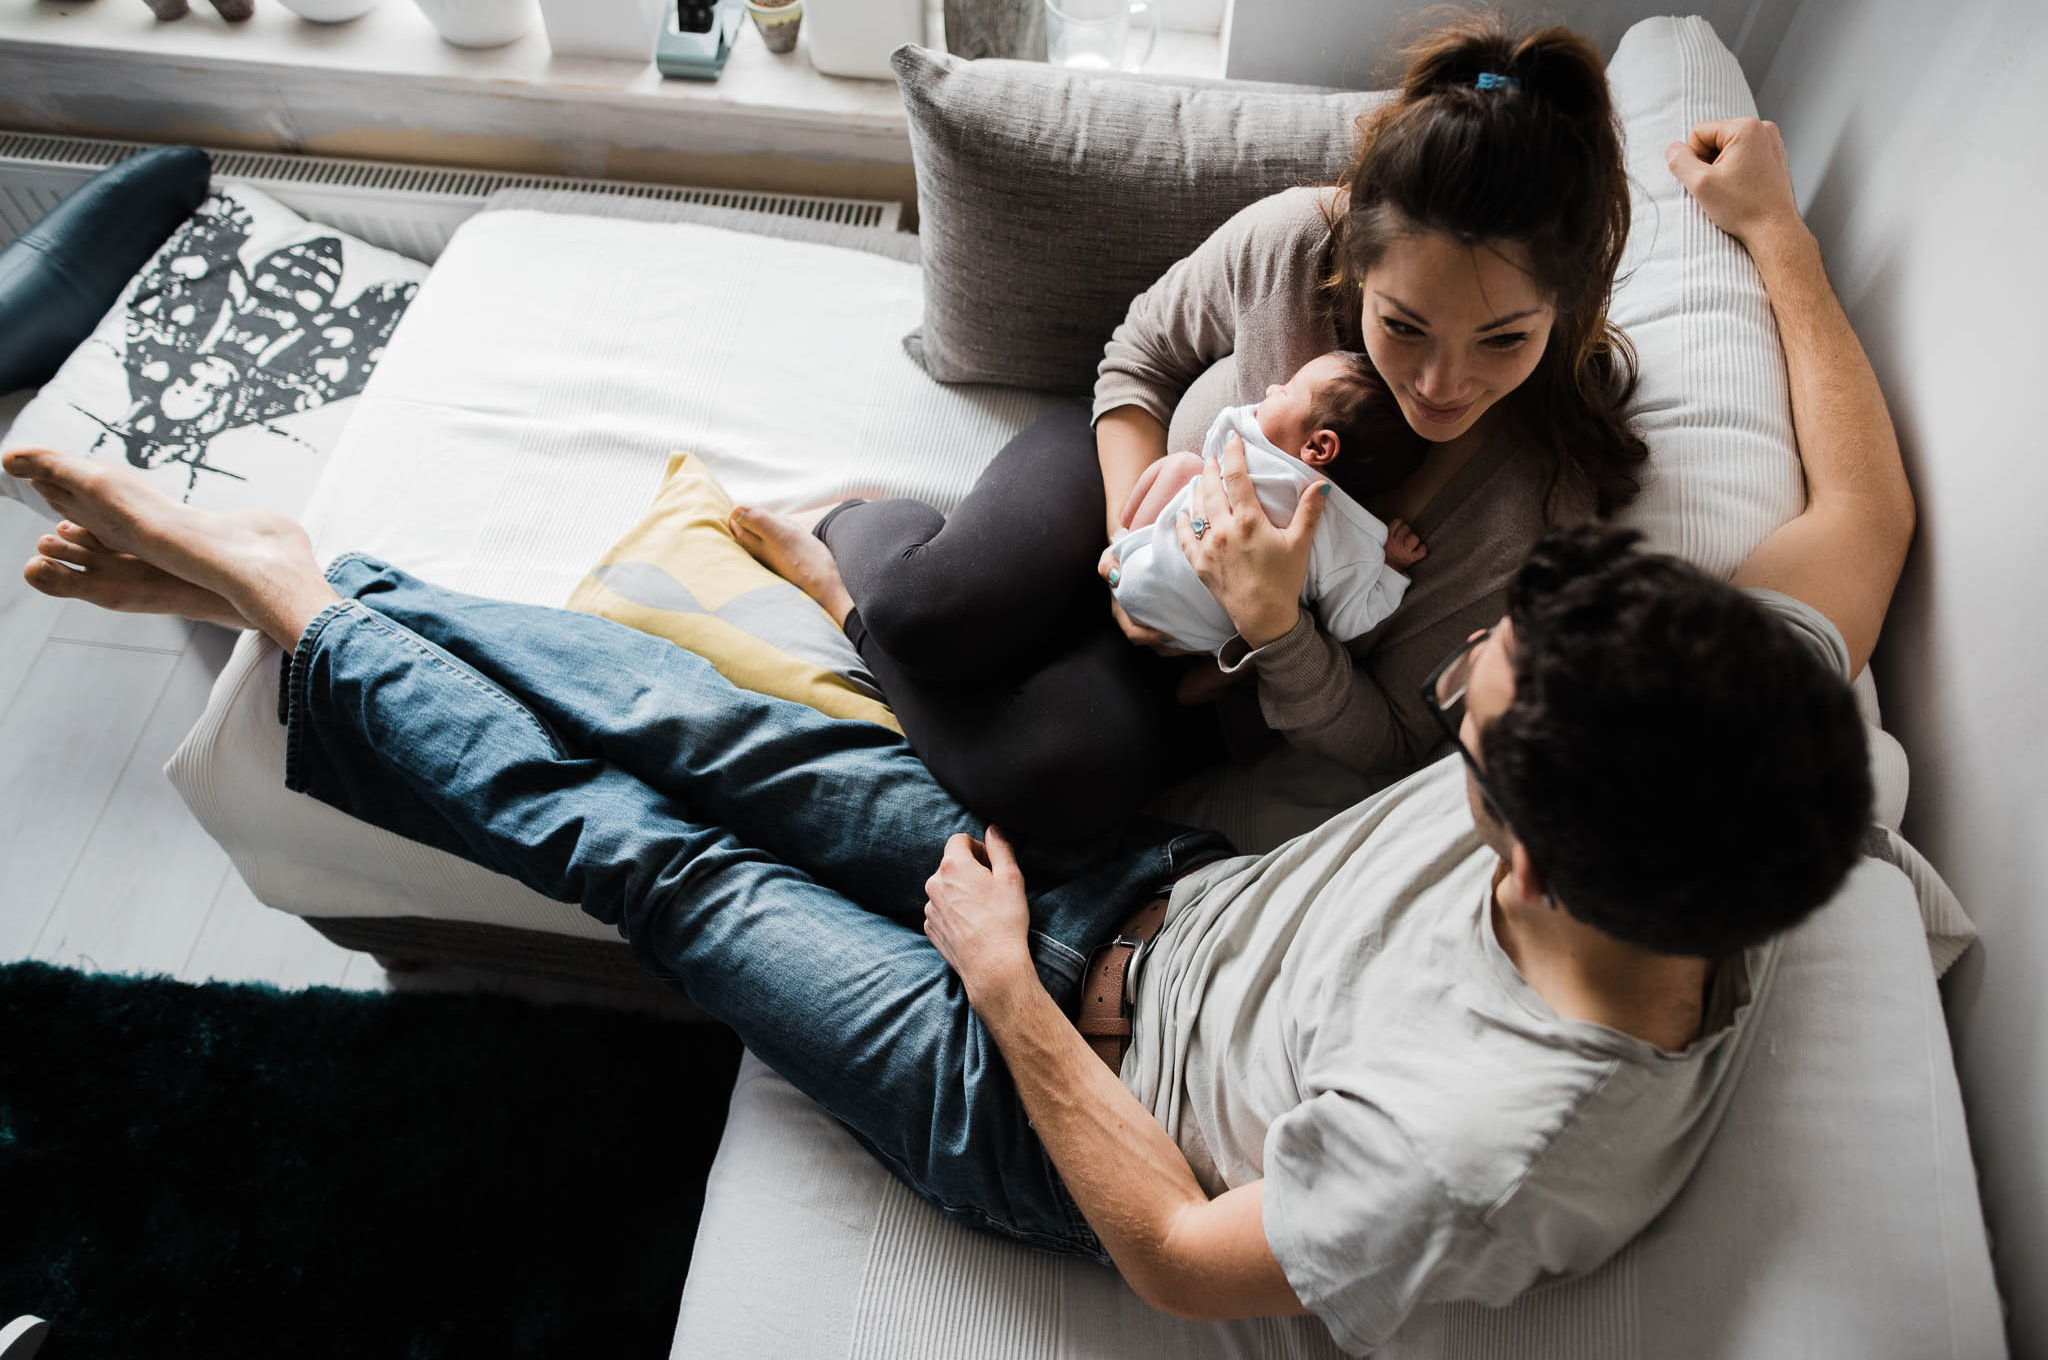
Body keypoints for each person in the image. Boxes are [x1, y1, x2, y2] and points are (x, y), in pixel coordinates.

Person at [7, 111, 1917, 1351]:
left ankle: (291, 604)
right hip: (1151, 887)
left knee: (651, 857)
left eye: (1472, 730)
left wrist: (1004, 986)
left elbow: (1178, 1255)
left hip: (1027, 1074)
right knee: (691, 718)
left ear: (1524, 848)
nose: (1460, 684)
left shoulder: (1492, 1140)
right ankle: (317, 586)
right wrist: (1771, 229)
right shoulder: (1721, 711)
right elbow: (1864, 524)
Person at [731, 13, 1648, 841]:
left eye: (1503, 339)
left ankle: (835, 594)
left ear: (1563, 309)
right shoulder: (1294, 245)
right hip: (1128, 487)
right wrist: (1132, 540)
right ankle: (860, 522)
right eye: (1402, 325)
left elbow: (1394, 736)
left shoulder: (1534, 494)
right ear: (1360, 266)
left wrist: (1271, 625)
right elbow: (1138, 358)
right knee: (927, 612)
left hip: (1228, 666)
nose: (1442, 384)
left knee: (1043, 785)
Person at [1105, 351, 1425, 658]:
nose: (1271, 388)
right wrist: (1390, 568)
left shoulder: (1250, 441)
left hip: (1137, 569)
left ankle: (1124, 538)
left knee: (1183, 465)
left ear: (1318, 445)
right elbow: (1348, 623)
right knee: (1259, 647)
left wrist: (1117, 548)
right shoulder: (1354, 541)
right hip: (1203, 637)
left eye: (1285, 392)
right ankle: (1206, 682)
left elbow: (1212, 449)